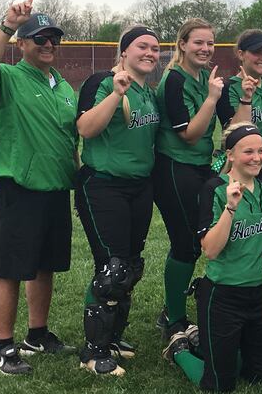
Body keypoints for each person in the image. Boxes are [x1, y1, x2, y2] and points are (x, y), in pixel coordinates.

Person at [0, 0, 77, 375]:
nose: (49, 44)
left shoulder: (62, 87)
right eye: (40, 38)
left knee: (45, 266)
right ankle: (3, 348)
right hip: (20, 187)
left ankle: (37, 334)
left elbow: (70, 140)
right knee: (10, 269)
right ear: (22, 44)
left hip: (56, 189)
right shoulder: (9, 77)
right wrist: (8, 25)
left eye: (54, 38)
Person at [163, 122, 262, 391]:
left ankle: (206, 342)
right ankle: (180, 349)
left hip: (258, 295)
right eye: (248, 151)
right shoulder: (215, 189)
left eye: (261, 151)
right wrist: (230, 209)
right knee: (219, 384)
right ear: (230, 154)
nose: (257, 158)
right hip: (223, 297)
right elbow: (210, 250)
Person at [74, 25, 161, 375]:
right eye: (142, 46)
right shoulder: (102, 82)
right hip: (104, 185)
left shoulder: (148, 92)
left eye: (155, 48)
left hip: (139, 187)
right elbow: (85, 129)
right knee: (112, 270)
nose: (150, 53)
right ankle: (93, 352)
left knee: (130, 266)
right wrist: (114, 94)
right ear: (124, 51)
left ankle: (112, 338)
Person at [152, 18, 224, 343]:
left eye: (210, 43)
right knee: (186, 243)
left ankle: (173, 308)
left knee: (197, 240)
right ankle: (174, 317)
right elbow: (190, 135)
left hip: (199, 167)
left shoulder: (203, 77)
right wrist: (211, 99)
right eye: (198, 42)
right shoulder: (175, 79)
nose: (205, 49)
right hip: (174, 166)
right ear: (182, 44)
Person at [217, 29, 262, 188]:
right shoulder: (228, 88)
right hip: (243, 168)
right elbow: (233, 133)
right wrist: (246, 99)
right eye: (257, 52)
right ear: (241, 54)